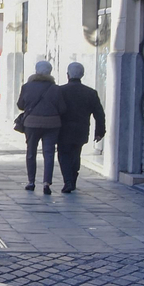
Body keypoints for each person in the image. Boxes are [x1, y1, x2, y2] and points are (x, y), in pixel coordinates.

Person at [17, 60, 67, 194]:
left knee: (31, 152)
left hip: (31, 124)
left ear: (36, 71)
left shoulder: (27, 87)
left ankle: (31, 181)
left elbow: (20, 105)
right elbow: (62, 108)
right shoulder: (56, 88)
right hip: (52, 124)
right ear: (50, 72)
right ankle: (46, 183)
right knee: (49, 153)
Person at [57, 62, 106, 194]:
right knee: (75, 153)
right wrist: (100, 132)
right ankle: (72, 178)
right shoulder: (90, 93)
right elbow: (99, 114)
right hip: (81, 130)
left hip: (63, 130)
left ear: (68, 75)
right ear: (82, 75)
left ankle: (68, 181)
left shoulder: (60, 91)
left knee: (63, 155)